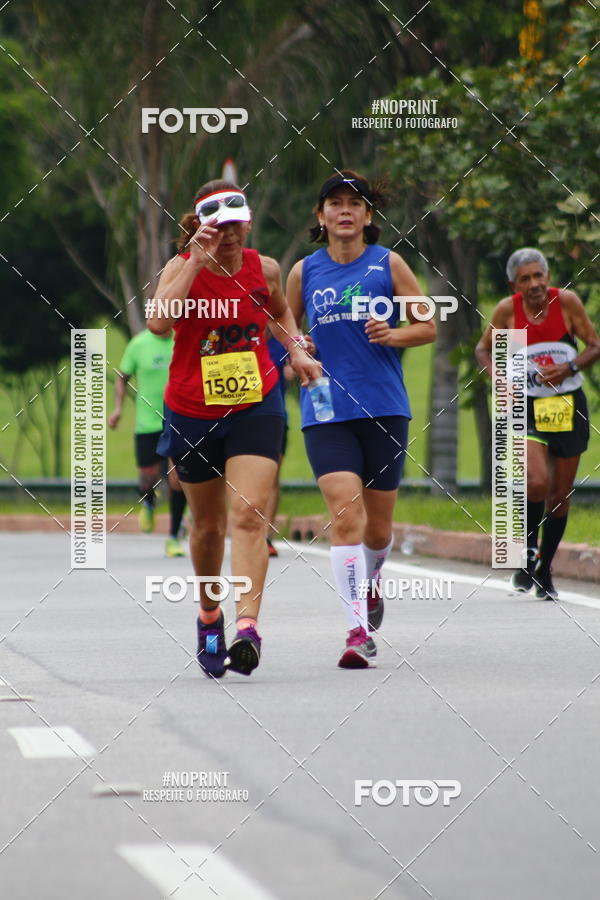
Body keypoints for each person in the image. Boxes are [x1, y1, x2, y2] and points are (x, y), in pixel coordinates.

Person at [147, 179, 319, 678]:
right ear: (201, 226)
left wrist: (296, 350)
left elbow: (280, 314)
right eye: (216, 226)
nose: (227, 234)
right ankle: (208, 614)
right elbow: (159, 322)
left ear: (247, 222)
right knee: (207, 528)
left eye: (235, 224)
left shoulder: (264, 268)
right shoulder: (182, 268)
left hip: (255, 404)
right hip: (193, 410)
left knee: (248, 514)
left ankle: (247, 628)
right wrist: (195, 261)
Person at [286, 170, 437, 668]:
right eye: (334, 203)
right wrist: (297, 351)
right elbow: (283, 334)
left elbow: (428, 324)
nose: (344, 210)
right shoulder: (303, 273)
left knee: (377, 528)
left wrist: (392, 334)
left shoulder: (388, 263)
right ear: (321, 216)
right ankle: (356, 630)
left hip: (383, 406)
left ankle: (372, 582)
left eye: (355, 203)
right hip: (326, 408)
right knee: (345, 516)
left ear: (368, 216)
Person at [475, 247, 600, 600]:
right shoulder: (507, 310)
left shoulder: (568, 303)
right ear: (514, 283)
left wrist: (569, 367)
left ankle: (545, 569)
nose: (534, 284)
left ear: (548, 276)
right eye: (525, 279)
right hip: (527, 406)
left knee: (559, 497)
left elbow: (594, 345)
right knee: (536, 481)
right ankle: (526, 554)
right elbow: (483, 349)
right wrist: (499, 377)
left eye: (539, 276)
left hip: (565, 404)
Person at [109, 328, 187, 558]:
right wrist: (118, 409)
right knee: (147, 477)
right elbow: (122, 377)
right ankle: (149, 502)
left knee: (177, 479)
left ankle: (173, 537)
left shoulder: (182, 339)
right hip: (146, 423)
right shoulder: (138, 344)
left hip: (175, 420)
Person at [264, 329, 293, 558]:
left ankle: (266, 537)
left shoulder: (281, 343)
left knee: (272, 478)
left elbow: (292, 373)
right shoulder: (240, 338)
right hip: (239, 418)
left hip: (276, 417)